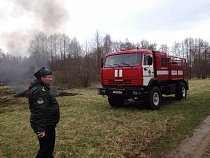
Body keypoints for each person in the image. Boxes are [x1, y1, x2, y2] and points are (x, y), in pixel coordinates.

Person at [28, 67, 60, 158]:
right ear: (42, 78)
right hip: (45, 124)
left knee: (46, 149)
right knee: (45, 150)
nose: (51, 79)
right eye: (49, 77)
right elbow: (39, 110)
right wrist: (41, 128)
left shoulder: (41, 88)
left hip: (46, 122)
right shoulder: (40, 91)